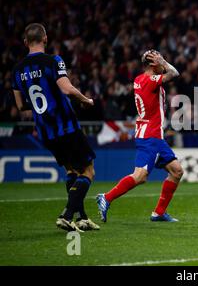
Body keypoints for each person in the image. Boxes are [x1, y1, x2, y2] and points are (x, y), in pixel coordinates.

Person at [12, 23, 99, 232]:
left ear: (25, 42)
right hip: (65, 126)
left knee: (71, 170)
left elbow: (21, 105)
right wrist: (85, 100)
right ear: (45, 39)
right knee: (88, 171)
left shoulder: (17, 71)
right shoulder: (53, 61)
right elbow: (67, 89)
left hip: (45, 131)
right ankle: (67, 215)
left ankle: (82, 218)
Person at [96, 50, 184, 223]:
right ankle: (106, 197)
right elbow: (175, 73)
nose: (162, 63)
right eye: (158, 61)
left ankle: (158, 213)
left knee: (176, 171)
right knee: (140, 176)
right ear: (153, 64)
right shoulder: (150, 80)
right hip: (150, 136)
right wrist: (164, 61)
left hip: (154, 135)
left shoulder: (139, 79)